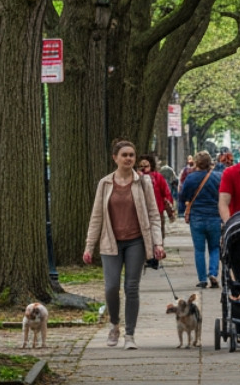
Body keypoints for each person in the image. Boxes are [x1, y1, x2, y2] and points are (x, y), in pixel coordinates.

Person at [83, 139, 165, 349]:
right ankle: (114, 325)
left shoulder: (143, 182)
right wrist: (89, 246)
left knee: (131, 287)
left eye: (131, 155)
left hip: (136, 241)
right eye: (124, 155)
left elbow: (154, 215)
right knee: (111, 287)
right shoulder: (105, 183)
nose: (128, 158)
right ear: (115, 158)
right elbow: (96, 217)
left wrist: (158, 243)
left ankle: (130, 335)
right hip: (110, 242)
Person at [178, 151, 223, 288]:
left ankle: (202, 279)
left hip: (197, 217)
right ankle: (213, 273)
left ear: (196, 162)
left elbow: (182, 196)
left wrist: (181, 211)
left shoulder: (190, 178)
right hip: (214, 216)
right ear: (210, 163)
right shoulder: (218, 177)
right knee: (215, 247)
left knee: (199, 249)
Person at [137, 154, 175, 231]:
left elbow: (166, 192)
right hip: (140, 213)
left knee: (159, 236)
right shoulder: (135, 178)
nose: (143, 168)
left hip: (157, 212)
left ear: (151, 165)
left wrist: (169, 205)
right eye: (141, 166)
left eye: (146, 166)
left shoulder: (158, 177)